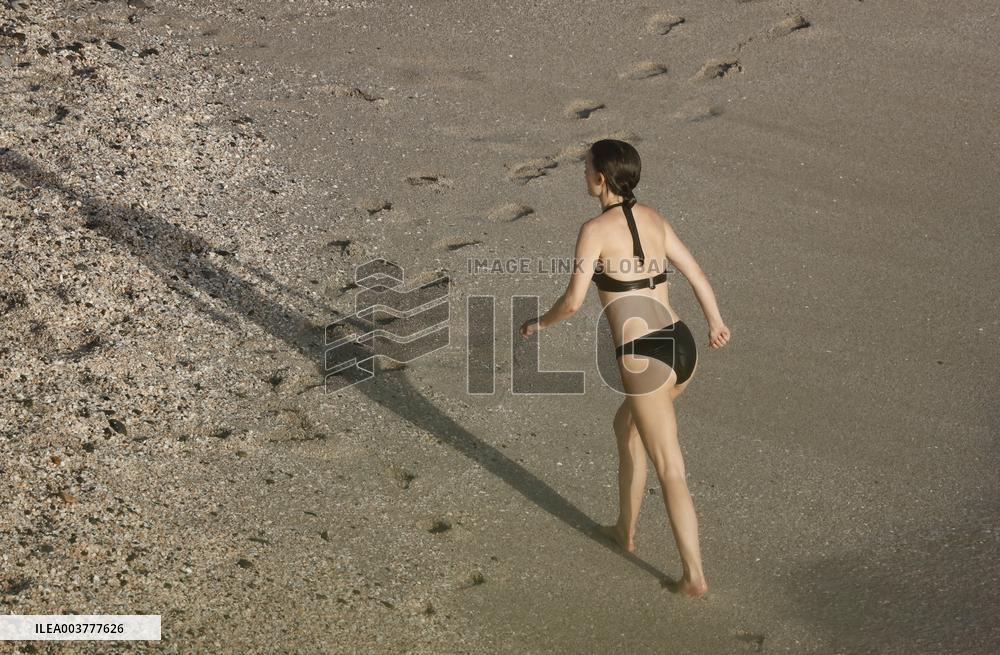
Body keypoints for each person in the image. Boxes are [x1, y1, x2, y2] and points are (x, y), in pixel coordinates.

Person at [519, 139, 731, 597]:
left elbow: (573, 302)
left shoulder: (594, 229)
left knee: (670, 467)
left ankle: (693, 576)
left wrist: (539, 323)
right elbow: (696, 273)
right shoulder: (655, 218)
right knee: (626, 427)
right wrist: (715, 320)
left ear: (600, 178)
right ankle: (624, 529)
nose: (584, 175)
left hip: (645, 358)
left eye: (586, 169)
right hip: (682, 345)